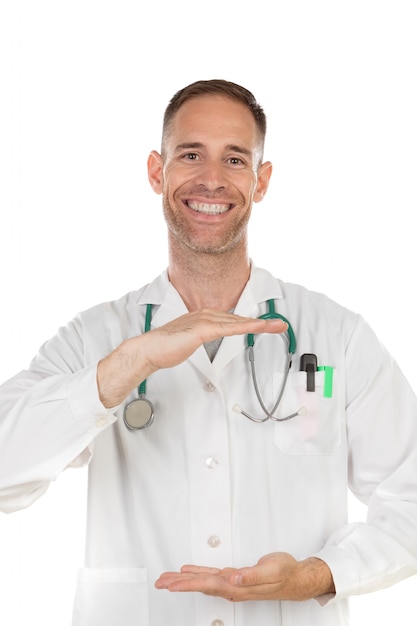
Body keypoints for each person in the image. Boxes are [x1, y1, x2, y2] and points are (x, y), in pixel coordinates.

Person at [0, 79, 416, 626]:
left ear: (261, 180)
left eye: (236, 159)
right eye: (191, 154)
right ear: (157, 171)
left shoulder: (336, 335)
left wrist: (319, 574)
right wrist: (133, 362)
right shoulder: (97, 337)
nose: (213, 179)